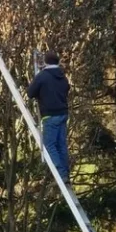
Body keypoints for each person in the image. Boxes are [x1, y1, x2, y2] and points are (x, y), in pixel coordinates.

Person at [27, 50, 71, 183]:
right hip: (63, 114)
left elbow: (30, 93)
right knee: (61, 145)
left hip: (50, 115)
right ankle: (66, 173)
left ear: (46, 62)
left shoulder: (42, 76)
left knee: (49, 145)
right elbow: (66, 89)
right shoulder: (63, 77)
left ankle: (61, 173)